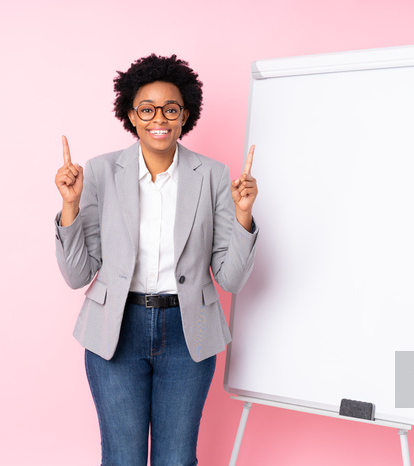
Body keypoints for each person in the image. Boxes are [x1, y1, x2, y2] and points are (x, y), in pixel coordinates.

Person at [53, 54, 258, 465]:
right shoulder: (99, 172)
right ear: (131, 114)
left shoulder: (214, 176)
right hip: (116, 330)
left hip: (188, 333)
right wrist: (70, 207)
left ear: (185, 115)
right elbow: (77, 274)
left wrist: (243, 217)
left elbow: (230, 279)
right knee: (122, 457)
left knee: (177, 459)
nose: (158, 118)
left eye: (170, 108)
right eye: (146, 109)